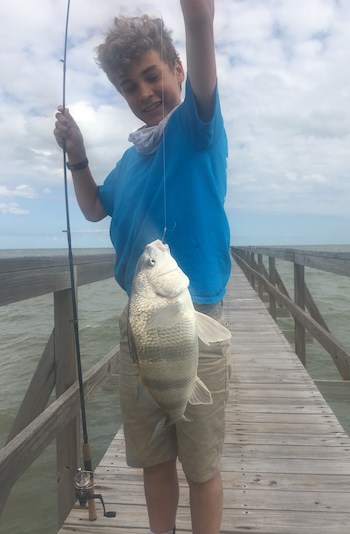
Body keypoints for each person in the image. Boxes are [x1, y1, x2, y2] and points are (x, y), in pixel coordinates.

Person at [54, 2, 231, 533]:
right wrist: (77, 155)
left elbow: (199, 24)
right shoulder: (131, 161)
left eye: (153, 76)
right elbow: (92, 207)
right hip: (141, 326)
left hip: (194, 313)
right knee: (154, 459)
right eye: (130, 87)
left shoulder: (196, 129)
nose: (145, 93)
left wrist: (197, 16)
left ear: (178, 69)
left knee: (201, 463)